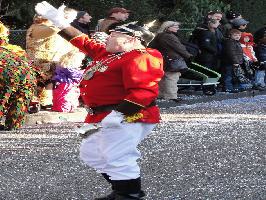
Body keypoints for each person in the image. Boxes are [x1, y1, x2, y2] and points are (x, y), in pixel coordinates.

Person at [35, 1, 164, 200]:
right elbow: (84, 42)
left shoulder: (140, 57)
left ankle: (129, 195)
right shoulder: (110, 54)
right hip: (98, 115)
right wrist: (59, 22)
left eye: (114, 35)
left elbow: (144, 91)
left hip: (126, 115)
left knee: (118, 156)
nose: (108, 36)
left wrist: (120, 115)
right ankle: (122, 188)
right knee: (90, 153)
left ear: (133, 39)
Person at [0, 21, 37, 130]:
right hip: (27, 74)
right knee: (21, 98)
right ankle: (13, 124)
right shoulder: (15, 49)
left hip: (6, 73)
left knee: (4, 94)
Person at [149, 21, 193, 102]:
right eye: (175, 27)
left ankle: (160, 94)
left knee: (163, 78)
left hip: (163, 58)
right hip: (172, 59)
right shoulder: (169, 36)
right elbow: (179, 47)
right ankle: (171, 96)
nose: (178, 28)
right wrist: (189, 56)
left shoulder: (159, 35)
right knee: (172, 77)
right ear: (168, 27)